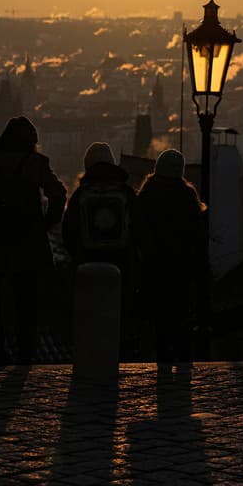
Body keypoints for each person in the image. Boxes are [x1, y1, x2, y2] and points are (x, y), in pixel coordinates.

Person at [0, 116, 66, 365]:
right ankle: (25, 353)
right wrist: (47, 222)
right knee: (26, 301)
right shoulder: (36, 163)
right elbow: (58, 194)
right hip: (28, 243)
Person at [62, 142, 138, 357]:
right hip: (122, 265)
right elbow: (140, 227)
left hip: (88, 264)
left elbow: (68, 231)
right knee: (120, 317)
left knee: (91, 318)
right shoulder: (125, 191)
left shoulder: (81, 194)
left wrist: (78, 255)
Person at [134, 149, 205, 364]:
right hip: (181, 269)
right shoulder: (187, 196)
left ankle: (164, 361)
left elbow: (139, 232)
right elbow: (197, 238)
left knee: (160, 320)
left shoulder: (147, 195)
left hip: (154, 267)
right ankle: (183, 362)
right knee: (181, 318)